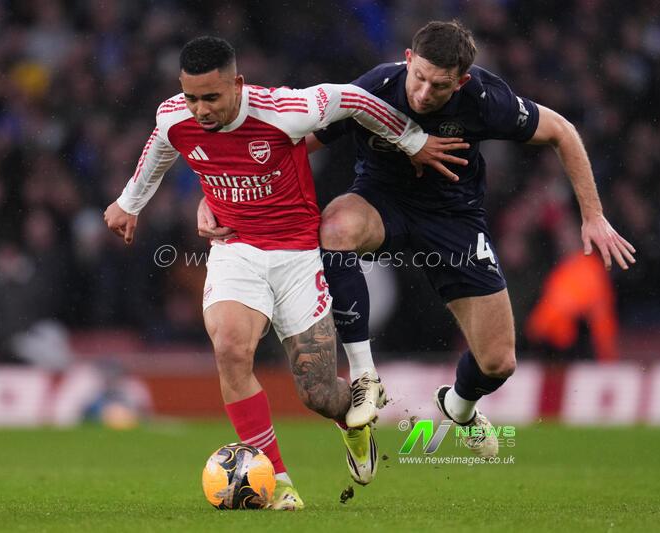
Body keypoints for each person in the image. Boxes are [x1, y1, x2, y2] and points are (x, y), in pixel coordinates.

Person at [199, 20, 636, 458]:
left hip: (454, 219)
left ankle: (459, 407)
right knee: (334, 227)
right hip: (380, 201)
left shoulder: (484, 98)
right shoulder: (376, 87)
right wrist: (219, 194)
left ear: (461, 81)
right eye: (419, 77)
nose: (424, 93)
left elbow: (560, 130)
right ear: (408, 60)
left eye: (440, 86)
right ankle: (365, 376)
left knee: (498, 362)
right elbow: (299, 140)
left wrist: (593, 215)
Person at [104, 36, 462, 509]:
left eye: (212, 97)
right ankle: (276, 480)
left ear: (237, 84)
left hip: (297, 257)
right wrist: (129, 203)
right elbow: (159, 148)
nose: (201, 110)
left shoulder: (284, 109)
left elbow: (354, 99)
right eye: (192, 97)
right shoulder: (174, 115)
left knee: (316, 391)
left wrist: (412, 141)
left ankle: (352, 425)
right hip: (236, 250)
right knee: (231, 347)